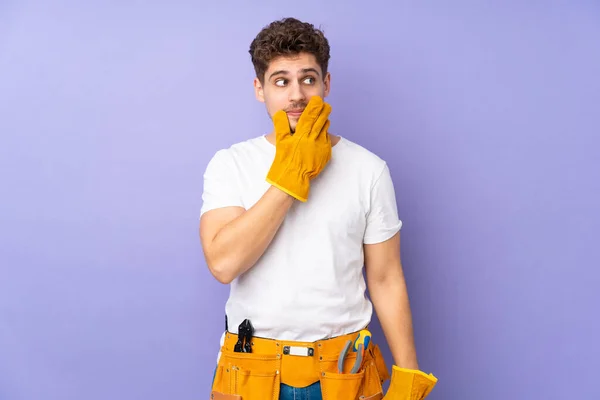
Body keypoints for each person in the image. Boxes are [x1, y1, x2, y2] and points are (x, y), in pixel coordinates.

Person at [199, 17, 437, 400]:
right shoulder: (231, 164)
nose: (296, 95)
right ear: (260, 89)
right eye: (281, 81)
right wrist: (292, 176)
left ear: (325, 85)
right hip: (253, 371)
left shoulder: (368, 169)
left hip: (344, 370)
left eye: (308, 79)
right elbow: (224, 264)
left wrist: (408, 374)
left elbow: (386, 277)